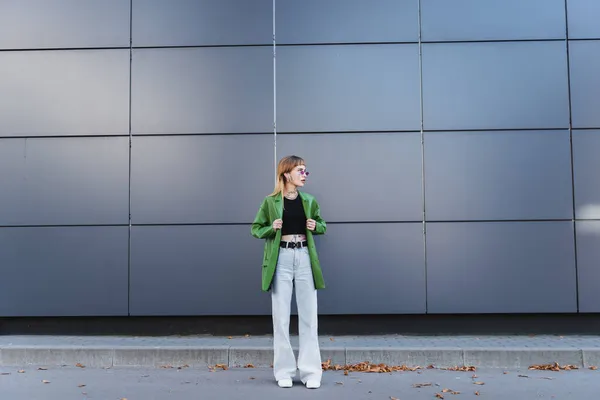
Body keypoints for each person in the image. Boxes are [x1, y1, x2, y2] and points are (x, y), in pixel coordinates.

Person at [251, 155, 327, 389]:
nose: (304, 174)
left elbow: (323, 224)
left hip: (304, 256)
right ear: (286, 174)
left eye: (306, 171)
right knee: (281, 318)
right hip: (281, 258)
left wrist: (316, 226)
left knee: (309, 317)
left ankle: (311, 372)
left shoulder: (309, 200)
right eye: (300, 170)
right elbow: (256, 228)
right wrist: (270, 228)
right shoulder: (271, 201)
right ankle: (283, 371)